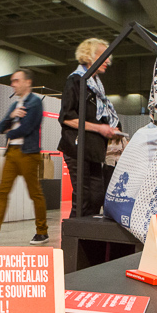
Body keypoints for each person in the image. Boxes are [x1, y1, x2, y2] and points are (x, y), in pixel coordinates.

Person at [0, 69, 49, 245]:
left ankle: (42, 231)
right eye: (12, 81)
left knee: (35, 193)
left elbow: (27, 128)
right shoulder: (15, 105)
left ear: (27, 82)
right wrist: (11, 116)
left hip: (29, 154)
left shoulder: (35, 103)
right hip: (11, 153)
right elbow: (0, 127)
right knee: (2, 192)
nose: (13, 84)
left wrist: (10, 131)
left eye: (16, 81)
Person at [58, 38, 118, 217]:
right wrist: (99, 128)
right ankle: (73, 243)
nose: (108, 61)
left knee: (97, 197)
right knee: (83, 199)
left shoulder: (96, 85)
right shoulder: (76, 81)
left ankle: (88, 242)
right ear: (89, 56)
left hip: (93, 150)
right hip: (77, 148)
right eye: (103, 56)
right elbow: (67, 117)